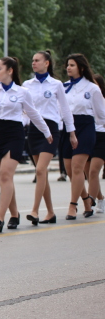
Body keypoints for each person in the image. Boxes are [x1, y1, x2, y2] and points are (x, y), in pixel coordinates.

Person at [0, 57, 51, 232]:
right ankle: (14, 214)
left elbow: (33, 114)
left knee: (5, 175)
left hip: (14, 134)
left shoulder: (22, 92)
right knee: (6, 177)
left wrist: (47, 132)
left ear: (9, 70)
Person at [22, 50, 75, 225]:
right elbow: (23, 109)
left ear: (47, 63)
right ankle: (50, 212)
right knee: (42, 172)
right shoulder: (27, 85)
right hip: (34, 130)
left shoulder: (56, 84)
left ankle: (35, 210)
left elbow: (65, 110)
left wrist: (72, 132)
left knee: (40, 171)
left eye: (37, 60)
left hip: (51, 130)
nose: (33, 63)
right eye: (32, 60)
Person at [61, 54, 105, 220]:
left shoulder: (92, 88)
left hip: (86, 127)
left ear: (81, 67)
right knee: (71, 171)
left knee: (78, 168)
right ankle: (87, 200)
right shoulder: (63, 87)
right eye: (67, 65)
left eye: (72, 65)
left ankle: (73, 205)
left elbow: (101, 115)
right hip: (67, 128)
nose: (68, 68)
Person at [88, 74, 105, 215]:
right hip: (88, 136)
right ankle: (100, 198)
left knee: (94, 171)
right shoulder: (86, 101)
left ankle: (90, 204)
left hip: (102, 137)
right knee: (88, 174)